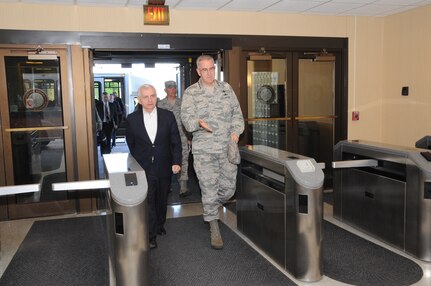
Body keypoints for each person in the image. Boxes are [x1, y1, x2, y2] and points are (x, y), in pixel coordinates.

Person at [181, 55, 244, 250]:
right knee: (208, 189)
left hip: (227, 149)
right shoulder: (191, 93)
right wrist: (199, 123)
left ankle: (210, 208)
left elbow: (237, 115)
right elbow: (187, 121)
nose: (209, 73)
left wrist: (235, 133)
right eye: (204, 70)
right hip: (204, 152)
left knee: (228, 189)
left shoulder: (226, 89)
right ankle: (214, 226)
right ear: (198, 72)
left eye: (211, 69)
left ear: (214, 68)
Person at [126, 84, 182, 249]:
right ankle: (150, 235)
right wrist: (139, 162)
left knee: (161, 198)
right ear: (139, 100)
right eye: (146, 97)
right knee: (149, 200)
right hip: (144, 167)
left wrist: (177, 161)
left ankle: (159, 224)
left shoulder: (168, 116)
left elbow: (175, 141)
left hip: (165, 165)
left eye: (152, 96)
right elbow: (132, 144)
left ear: (157, 97)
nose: (150, 100)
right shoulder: (132, 119)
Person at [158, 80, 191, 197]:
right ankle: (167, 184)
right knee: (166, 160)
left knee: (183, 160)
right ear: (165, 90)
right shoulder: (160, 104)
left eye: (174, 88)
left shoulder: (182, 103)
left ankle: (183, 185)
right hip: (165, 138)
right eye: (170, 88)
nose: (173, 90)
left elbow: (187, 121)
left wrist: (188, 136)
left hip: (181, 136)